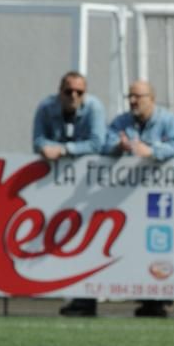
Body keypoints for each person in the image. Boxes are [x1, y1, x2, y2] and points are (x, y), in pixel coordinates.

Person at [104, 79, 174, 317]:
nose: (132, 101)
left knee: (161, 245)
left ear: (151, 99)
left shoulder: (169, 121)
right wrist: (117, 148)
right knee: (134, 244)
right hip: (129, 199)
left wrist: (151, 151)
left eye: (138, 97)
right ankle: (145, 297)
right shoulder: (121, 122)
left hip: (162, 200)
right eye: (130, 96)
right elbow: (105, 143)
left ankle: (160, 298)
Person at [32, 70, 107, 317]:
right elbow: (38, 141)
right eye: (68, 91)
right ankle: (66, 293)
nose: (73, 96)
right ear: (59, 91)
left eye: (79, 92)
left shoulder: (94, 108)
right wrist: (46, 148)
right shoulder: (46, 107)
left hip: (87, 189)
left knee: (85, 238)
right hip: (54, 187)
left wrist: (63, 150)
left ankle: (85, 299)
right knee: (55, 237)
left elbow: (98, 143)